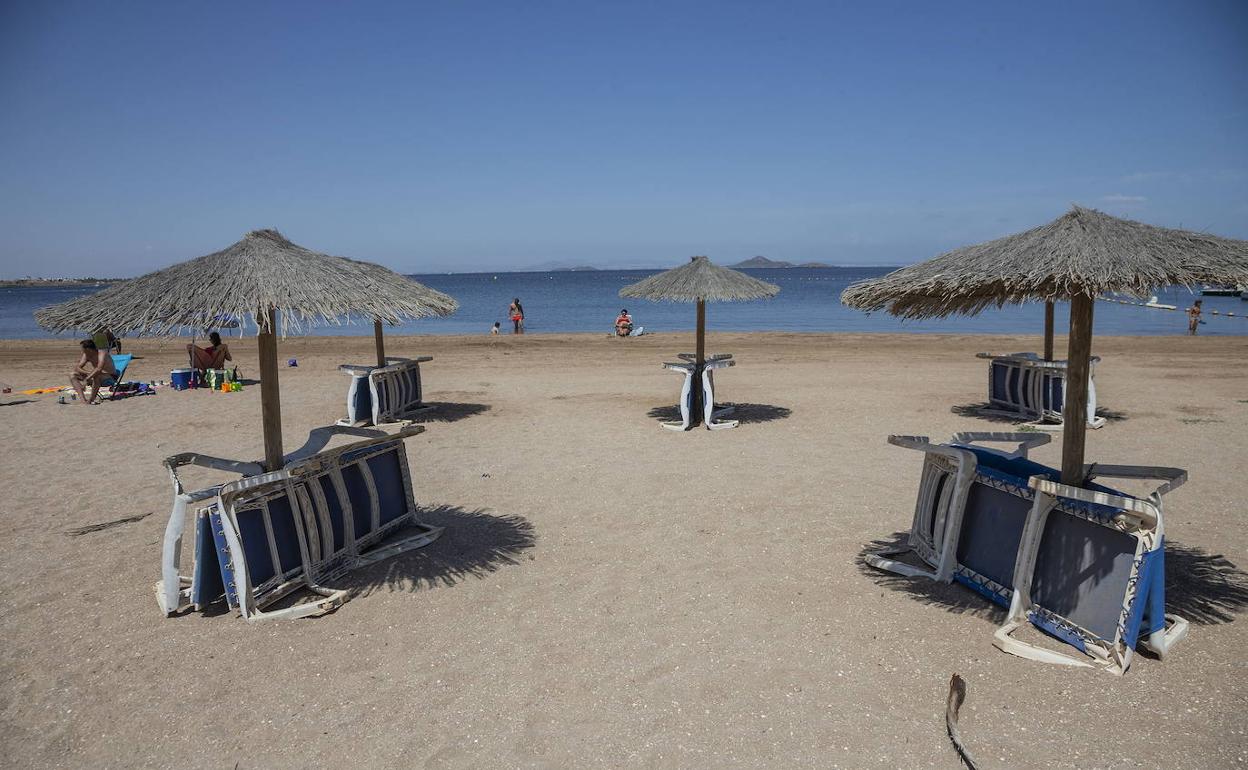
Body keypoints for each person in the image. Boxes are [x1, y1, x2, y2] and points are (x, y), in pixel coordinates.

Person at [70, 338, 116, 405]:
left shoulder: (102, 353)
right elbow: (78, 367)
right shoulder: (86, 354)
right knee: (72, 375)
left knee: (96, 375)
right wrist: (88, 373)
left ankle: (91, 400)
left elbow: (99, 369)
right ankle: (83, 400)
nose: (82, 351)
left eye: (82, 349)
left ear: (88, 349)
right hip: (95, 375)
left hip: (109, 377)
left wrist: (88, 378)